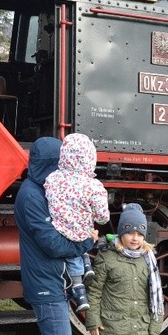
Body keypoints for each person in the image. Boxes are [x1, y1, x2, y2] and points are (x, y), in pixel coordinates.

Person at [1, 137, 99, 335]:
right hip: (46, 284)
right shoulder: (31, 196)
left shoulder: (45, 188)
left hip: (55, 280)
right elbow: (53, 245)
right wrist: (87, 241)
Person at [85, 203, 164, 335]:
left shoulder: (148, 259)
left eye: (139, 233)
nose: (135, 238)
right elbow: (94, 291)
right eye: (130, 232)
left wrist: (154, 327)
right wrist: (93, 320)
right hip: (112, 325)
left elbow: (155, 296)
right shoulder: (107, 256)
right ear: (121, 233)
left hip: (137, 326)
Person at [44, 133, 110, 312]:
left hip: (59, 229)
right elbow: (103, 217)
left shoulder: (52, 179)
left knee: (74, 249)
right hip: (82, 233)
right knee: (86, 235)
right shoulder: (93, 186)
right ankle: (80, 290)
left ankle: (82, 276)